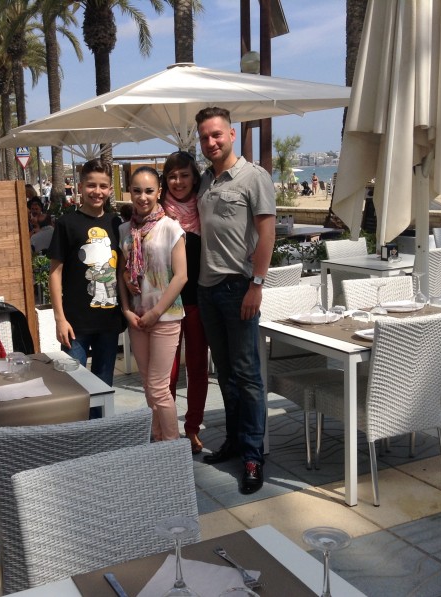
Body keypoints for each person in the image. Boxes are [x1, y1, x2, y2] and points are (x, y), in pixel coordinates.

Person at [195, 106, 275, 494]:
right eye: (204, 137)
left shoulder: (253, 176)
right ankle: (234, 440)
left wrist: (256, 285)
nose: (210, 142)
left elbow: (267, 234)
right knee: (225, 373)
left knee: (247, 375)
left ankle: (253, 456)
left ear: (230, 134)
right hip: (207, 290)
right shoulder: (205, 181)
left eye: (216, 135)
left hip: (238, 288)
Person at [118, 166, 187, 441]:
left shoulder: (170, 227)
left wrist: (156, 313)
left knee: (159, 387)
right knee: (148, 386)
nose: (142, 197)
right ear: (130, 192)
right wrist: (126, 310)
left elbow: (181, 276)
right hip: (137, 318)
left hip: (165, 316)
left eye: (149, 191)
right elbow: (121, 274)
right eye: (137, 191)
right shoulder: (124, 230)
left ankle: (172, 447)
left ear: (159, 192)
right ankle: (158, 440)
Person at [47, 159, 123, 394]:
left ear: (110, 190)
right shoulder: (66, 223)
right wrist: (59, 319)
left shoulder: (116, 223)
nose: (97, 191)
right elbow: (55, 273)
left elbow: (121, 269)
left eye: (103, 186)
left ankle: (99, 421)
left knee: (103, 387)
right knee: (74, 388)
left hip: (109, 321)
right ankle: (80, 422)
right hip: (75, 324)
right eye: (91, 185)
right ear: (80, 187)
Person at [160, 151, 209, 454]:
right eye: (172, 176)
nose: (178, 182)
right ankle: (167, 429)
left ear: (195, 177)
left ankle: (192, 428)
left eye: (184, 175)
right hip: (167, 303)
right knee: (168, 371)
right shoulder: (157, 212)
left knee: (198, 368)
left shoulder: (205, 210)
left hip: (198, 301)